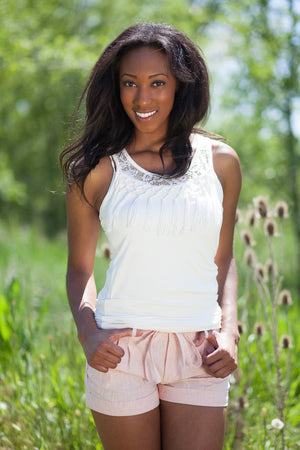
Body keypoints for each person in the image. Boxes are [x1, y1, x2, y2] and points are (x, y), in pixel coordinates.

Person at [60, 22, 241, 450]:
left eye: (157, 83)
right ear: (116, 88)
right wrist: (88, 333)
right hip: (120, 351)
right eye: (130, 83)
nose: (143, 98)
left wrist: (230, 329)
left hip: (200, 350)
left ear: (181, 85)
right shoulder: (96, 170)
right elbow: (79, 269)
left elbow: (224, 259)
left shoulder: (221, 162)